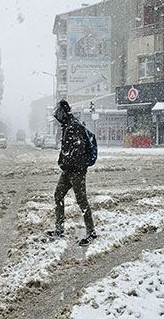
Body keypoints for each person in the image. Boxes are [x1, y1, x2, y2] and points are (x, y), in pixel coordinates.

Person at [45, 100, 97, 247]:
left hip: (76, 172)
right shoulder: (67, 126)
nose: (57, 117)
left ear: (63, 113)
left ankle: (91, 231)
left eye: (58, 113)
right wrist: (63, 162)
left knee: (82, 201)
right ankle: (59, 229)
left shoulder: (74, 127)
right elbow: (67, 151)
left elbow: (76, 152)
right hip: (68, 171)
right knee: (58, 195)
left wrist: (68, 163)